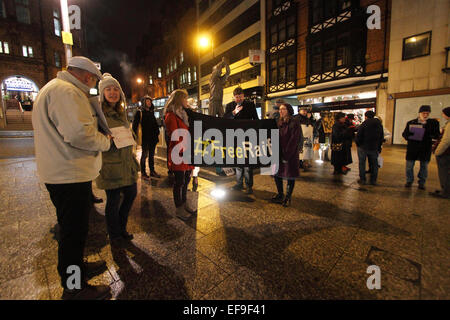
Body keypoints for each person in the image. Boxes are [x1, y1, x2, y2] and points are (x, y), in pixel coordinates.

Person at [32, 56, 112, 300]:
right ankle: (74, 287)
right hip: (69, 175)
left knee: (71, 230)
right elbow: (80, 135)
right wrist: (106, 142)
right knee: (74, 233)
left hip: (63, 173)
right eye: (92, 81)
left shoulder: (53, 89)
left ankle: (76, 269)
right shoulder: (67, 92)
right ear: (87, 77)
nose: (91, 85)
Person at [95, 73, 139, 247]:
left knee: (131, 194)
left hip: (127, 163)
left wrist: (131, 135)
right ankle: (114, 234)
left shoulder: (121, 113)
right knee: (113, 201)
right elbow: (94, 139)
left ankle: (121, 227)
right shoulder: (99, 114)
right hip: (111, 165)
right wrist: (106, 139)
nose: (113, 92)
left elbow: (127, 133)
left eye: (115, 89)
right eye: (108, 89)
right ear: (102, 93)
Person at [164, 89, 196, 220]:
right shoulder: (171, 115)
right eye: (184, 98)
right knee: (179, 181)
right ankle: (179, 209)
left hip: (187, 152)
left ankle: (184, 203)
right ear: (178, 99)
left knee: (187, 179)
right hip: (179, 153)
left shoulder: (184, 114)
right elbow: (174, 135)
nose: (186, 101)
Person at [224, 87, 259, 194]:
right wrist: (234, 112)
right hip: (235, 137)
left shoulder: (250, 105)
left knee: (248, 164)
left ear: (243, 96)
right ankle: (239, 183)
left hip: (248, 137)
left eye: (240, 97)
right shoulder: (229, 106)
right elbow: (225, 119)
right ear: (234, 97)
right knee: (238, 163)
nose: (238, 99)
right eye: (236, 97)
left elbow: (256, 120)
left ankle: (249, 186)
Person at [402, 105, 440, 190]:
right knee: (409, 166)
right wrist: (411, 135)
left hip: (425, 148)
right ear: (419, 113)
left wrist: (426, 128)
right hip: (413, 147)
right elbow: (405, 134)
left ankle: (422, 182)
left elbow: (436, 135)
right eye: (424, 113)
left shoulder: (433, 123)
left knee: (424, 166)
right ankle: (409, 180)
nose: (425, 115)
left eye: (427, 113)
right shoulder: (411, 122)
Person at [271, 104, 302, 207]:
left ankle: (288, 197)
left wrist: (287, 154)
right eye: (280, 109)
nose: (281, 111)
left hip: (290, 153)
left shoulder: (294, 122)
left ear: (289, 110)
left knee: (290, 175)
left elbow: (294, 139)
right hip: (279, 152)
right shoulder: (279, 122)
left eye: (283, 109)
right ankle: (280, 194)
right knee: (276, 174)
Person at [132, 95, 161, 179]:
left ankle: (152, 171)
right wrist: (134, 136)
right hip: (145, 137)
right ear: (144, 102)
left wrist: (157, 132)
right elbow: (135, 125)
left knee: (152, 155)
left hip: (153, 138)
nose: (149, 102)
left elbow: (155, 124)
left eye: (150, 101)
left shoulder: (151, 112)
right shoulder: (139, 112)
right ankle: (143, 173)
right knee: (144, 155)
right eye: (147, 101)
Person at [355, 111, 384, 185]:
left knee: (362, 163)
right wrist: (379, 146)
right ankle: (373, 180)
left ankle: (363, 179)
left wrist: (358, 144)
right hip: (374, 147)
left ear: (366, 116)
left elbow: (359, 135)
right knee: (374, 164)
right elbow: (381, 136)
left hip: (363, 147)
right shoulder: (379, 124)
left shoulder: (364, 123)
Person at [430, 107, 450, 199]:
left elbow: (446, 141)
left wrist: (438, 151)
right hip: (446, 152)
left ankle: (445, 192)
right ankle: (445, 189)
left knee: (444, 173)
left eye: (443, 113)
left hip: (445, 153)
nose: (442, 115)